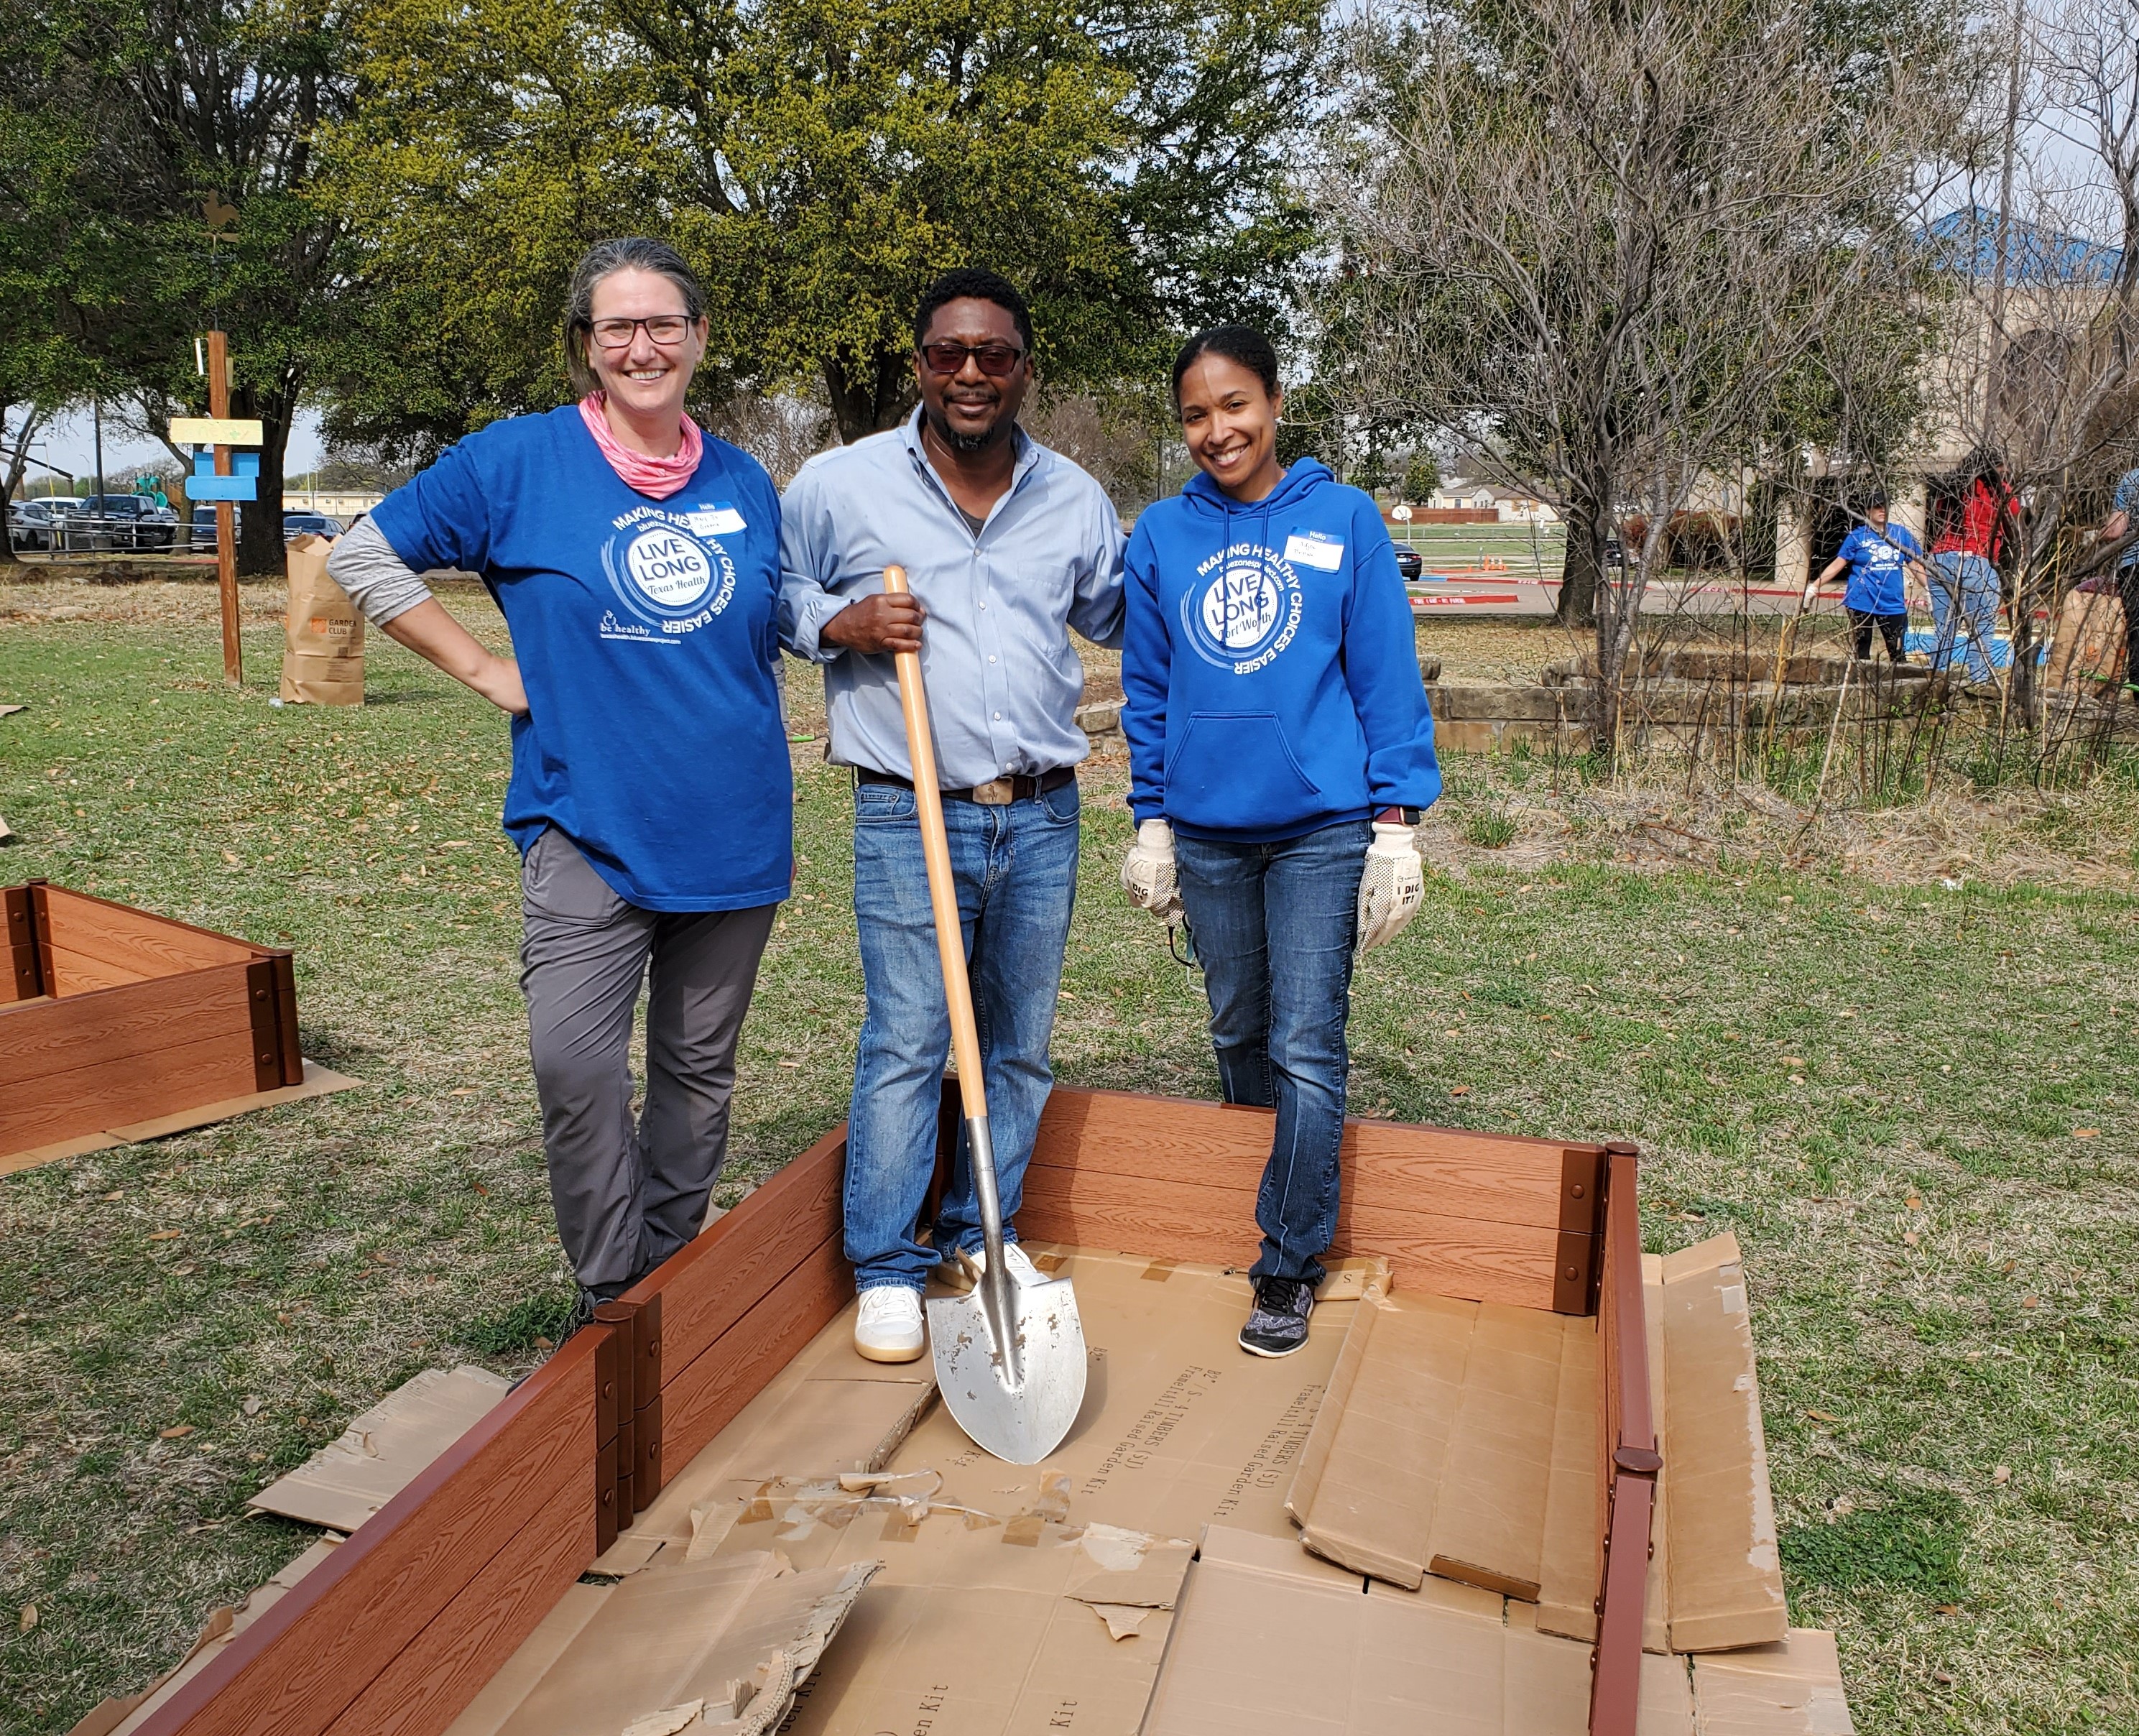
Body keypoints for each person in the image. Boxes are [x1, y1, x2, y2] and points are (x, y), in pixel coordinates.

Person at [327, 237, 790, 1325]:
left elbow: (776, 626)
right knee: (576, 1069)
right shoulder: (515, 464)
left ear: (699, 338)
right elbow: (360, 555)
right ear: (586, 346)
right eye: (617, 327)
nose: (642, 346)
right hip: (584, 823)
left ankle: (661, 1279)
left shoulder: (744, 479)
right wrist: (486, 668)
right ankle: (610, 1285)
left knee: (696, 1078)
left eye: (664, 324)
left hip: (732, 830)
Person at [778, 268, 1125, 1363]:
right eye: (948, 354)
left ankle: (981, 1233)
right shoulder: (840, 486)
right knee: (910, 1036)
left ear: (1024, 367)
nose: (971, 374)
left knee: (1017, 1043)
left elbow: (1119, 613)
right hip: (904, 807)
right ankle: (886, 1263)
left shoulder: (1072, 495)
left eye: (995, 356)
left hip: (1042, 812)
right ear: (919, 361)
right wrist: (842, 620)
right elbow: (771, 592)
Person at [1116, 324, 1439, 1359]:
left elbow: (1385, 676)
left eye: (1235, 406)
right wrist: (1152, 818)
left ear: (1275, 402)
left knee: (1307, 1042)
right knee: (1237, 1035)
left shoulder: (1342, 518)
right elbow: (1150, 688)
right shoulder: (1161, 535)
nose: (1218, 430)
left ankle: (1287, 1260)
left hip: (1319, 830)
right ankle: (1264, 1190)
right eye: (1196, 416)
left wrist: (1397, 827)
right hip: (1207, 834)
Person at [1808, 491, 1926, 664]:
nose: (1882, 510)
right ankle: (1861, 685)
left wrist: (1930, 589)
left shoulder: (1901, 534)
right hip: (1861, 601)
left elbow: (1915, 564)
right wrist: (1814, 587)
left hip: (1893, 603)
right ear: (1867, 511)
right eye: (1877, 507)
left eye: (1884, 506)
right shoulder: (1857, 536)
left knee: (1899, 652)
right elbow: (1838, 564)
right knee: (1862, 652)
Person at [1928, 463, 2015, 685]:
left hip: (1940, 558)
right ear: (1996, 467)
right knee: (1982, 630)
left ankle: (1933, 684)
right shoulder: (2001, 491)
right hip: (1978, 558)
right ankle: (1979, 685)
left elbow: (1939, 515)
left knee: (1944, 629)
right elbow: (2013, 521)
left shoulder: (1951, 487)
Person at [2096, 464, 2139, 691]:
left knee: (2137, 632)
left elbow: (2115, 531)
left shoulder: (2132, 480)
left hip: (2133, 566)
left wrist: (2096, 535)